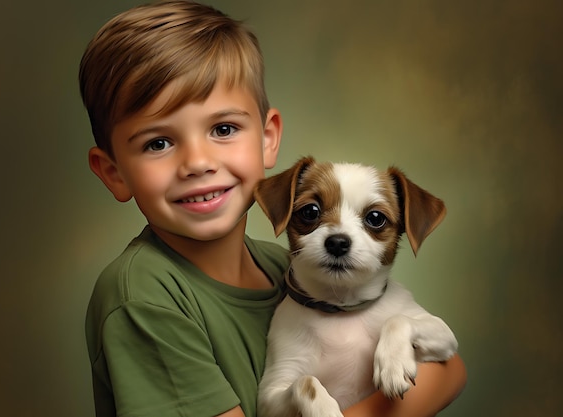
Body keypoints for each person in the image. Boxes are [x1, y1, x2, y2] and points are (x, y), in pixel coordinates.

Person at [78, 1, 467, 416]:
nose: (197, 162)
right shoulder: (143, 296)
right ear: (114, 172)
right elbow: (440, 377)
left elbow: (451, 368)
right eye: (158, 142)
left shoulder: (287, 268)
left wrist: (402, 338)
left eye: (223, 129)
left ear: (267, 139)